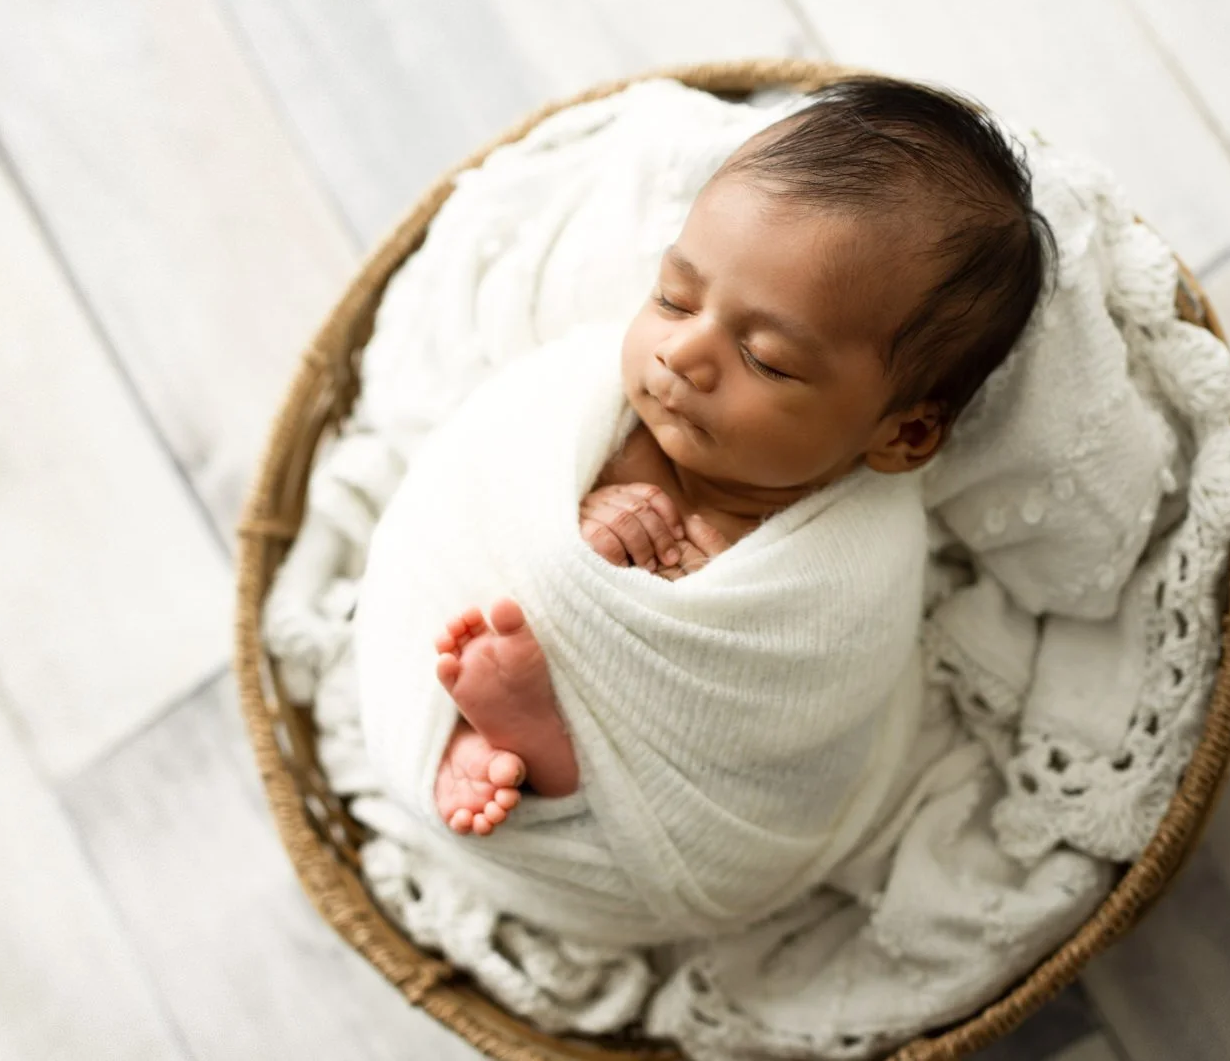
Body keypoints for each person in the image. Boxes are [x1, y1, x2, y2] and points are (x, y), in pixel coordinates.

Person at [425, 75, 1056, 835]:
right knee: (470, 630)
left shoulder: (851, 559)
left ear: (903, 435)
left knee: (545, 688)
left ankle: (544, 760)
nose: (684, 353)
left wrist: (677, 606)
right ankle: (491, 738)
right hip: (464, 652)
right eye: (673, 297)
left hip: (674, 806)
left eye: (767, 359)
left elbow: (792, 699)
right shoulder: (585, 402)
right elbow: (484, 474)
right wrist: (578, 545)